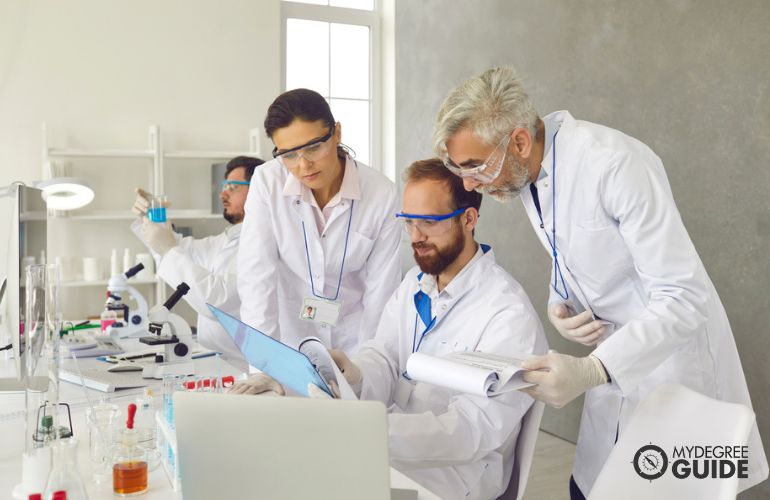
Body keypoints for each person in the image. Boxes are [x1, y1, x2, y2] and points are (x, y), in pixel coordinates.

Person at [433, 66, 768, 497]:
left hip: (676, 370)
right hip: (615, 371)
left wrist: (595, 368)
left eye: (474, 165)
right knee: (589, 487)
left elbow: (684, 297)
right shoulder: (526, 171)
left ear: (517, 140)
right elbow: (576, 249)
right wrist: (561, 301)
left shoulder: (614, 164)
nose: (467, 182)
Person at [233, 158, 548, 499]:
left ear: (468, 219)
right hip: (393, 452)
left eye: (428, 222)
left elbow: (472, 431)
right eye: (408, 222)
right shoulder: (417, 282)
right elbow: (383, 354)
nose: (415, 237)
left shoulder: (507, 313)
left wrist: (369, 429)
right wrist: (351, 373)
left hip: (454, 477)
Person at [236, 88, 401, 361]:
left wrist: (369, 370)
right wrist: (265, 366)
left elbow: (381, 296)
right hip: (291, 343)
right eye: (288, 154)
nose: (304, 165)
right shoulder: (267, 183)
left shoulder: (381, 194)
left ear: (337, 133)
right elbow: (256, 281)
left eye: (314, 147)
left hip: (355, 343)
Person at [131, 156, 264, 372]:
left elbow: (216, 302)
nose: (222, 194)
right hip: (213, 361)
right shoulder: (224, 240)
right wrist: (152, 217)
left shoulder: (262, 243)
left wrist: (167, 248)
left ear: (260, 189)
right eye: (223, 187)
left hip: (244, 368)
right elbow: (179, 250)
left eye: (232, 187)